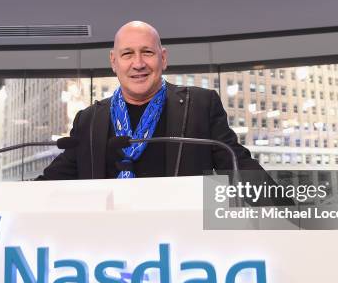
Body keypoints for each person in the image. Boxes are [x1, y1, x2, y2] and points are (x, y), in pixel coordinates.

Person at [38, 20, 270, 181]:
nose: (138, 63)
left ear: (163, 58)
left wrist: (291, 210)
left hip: (182, 244)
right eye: (127, 54)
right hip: (106, 244)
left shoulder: (200, 105)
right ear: (114, 62)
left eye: (147, 52)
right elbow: (51, 181)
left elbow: (238, 165)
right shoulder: (89, 120)